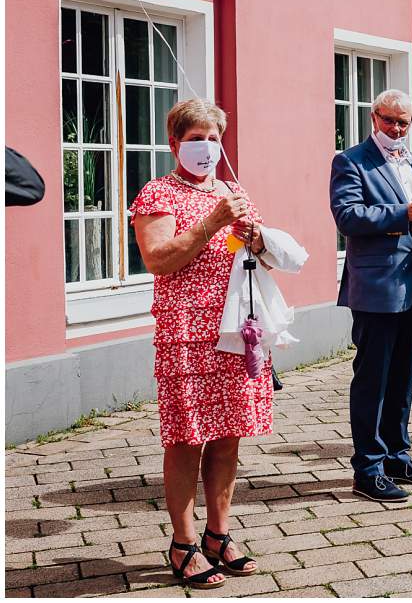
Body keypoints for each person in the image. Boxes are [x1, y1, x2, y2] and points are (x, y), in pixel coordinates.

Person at [130, 100, 269, 590]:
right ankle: (183, 541)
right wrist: (211, 222)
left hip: (234, 330)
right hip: (186, 331)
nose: (206, 147)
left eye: (213, 138)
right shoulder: (157, 193)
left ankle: (218, 533)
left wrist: (255, 241)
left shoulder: (235, 191)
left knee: (228, 434)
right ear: (174, 144)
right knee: (187, 436)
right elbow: (159, 259)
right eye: (195, 139)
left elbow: (248, 258)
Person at [330, 89, 412, 503]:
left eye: (404, 123)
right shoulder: (351, 161)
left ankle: (398, 455)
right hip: (376, 287)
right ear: (373, 118)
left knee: (403, 378)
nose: (397, 129)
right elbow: (347, 216)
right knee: (373, 381)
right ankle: (367, 467)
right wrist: (406, 214)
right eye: (389, 121)